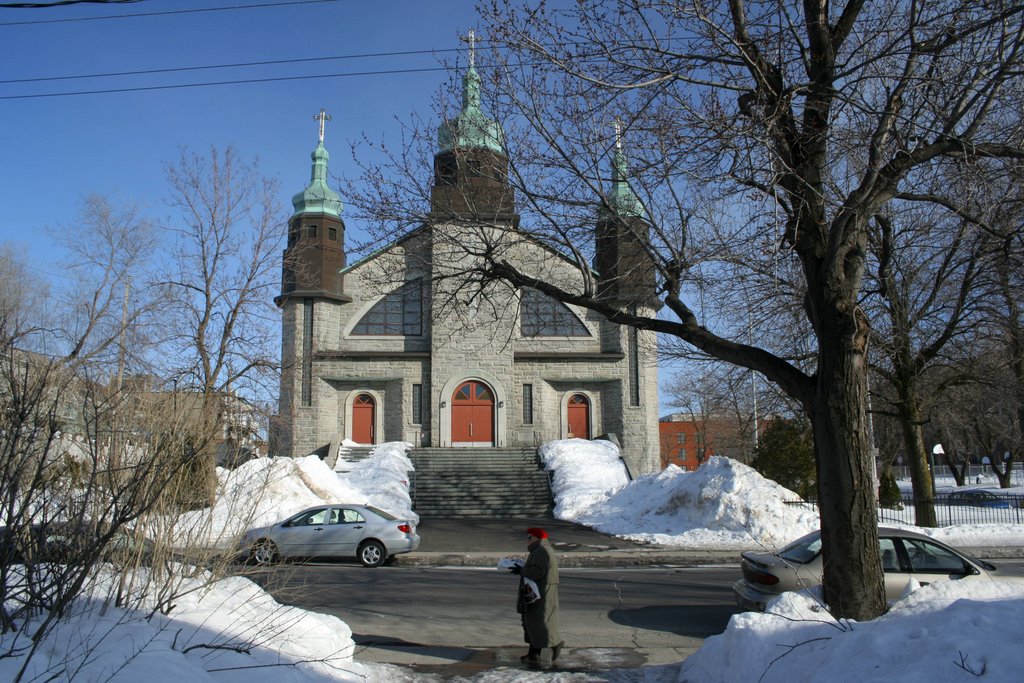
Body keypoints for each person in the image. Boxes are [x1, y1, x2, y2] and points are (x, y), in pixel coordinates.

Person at [510, 527, 564, 664]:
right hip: (537, 591)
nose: (527, 540)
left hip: (541, 593)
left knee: (541, 622)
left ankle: (554, 644)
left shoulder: (542, 551)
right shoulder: (539, 550)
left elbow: (538, 571)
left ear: (536, 538)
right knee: (532, 622)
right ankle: (533, 653)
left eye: (529, 537)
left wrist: (522, 570)